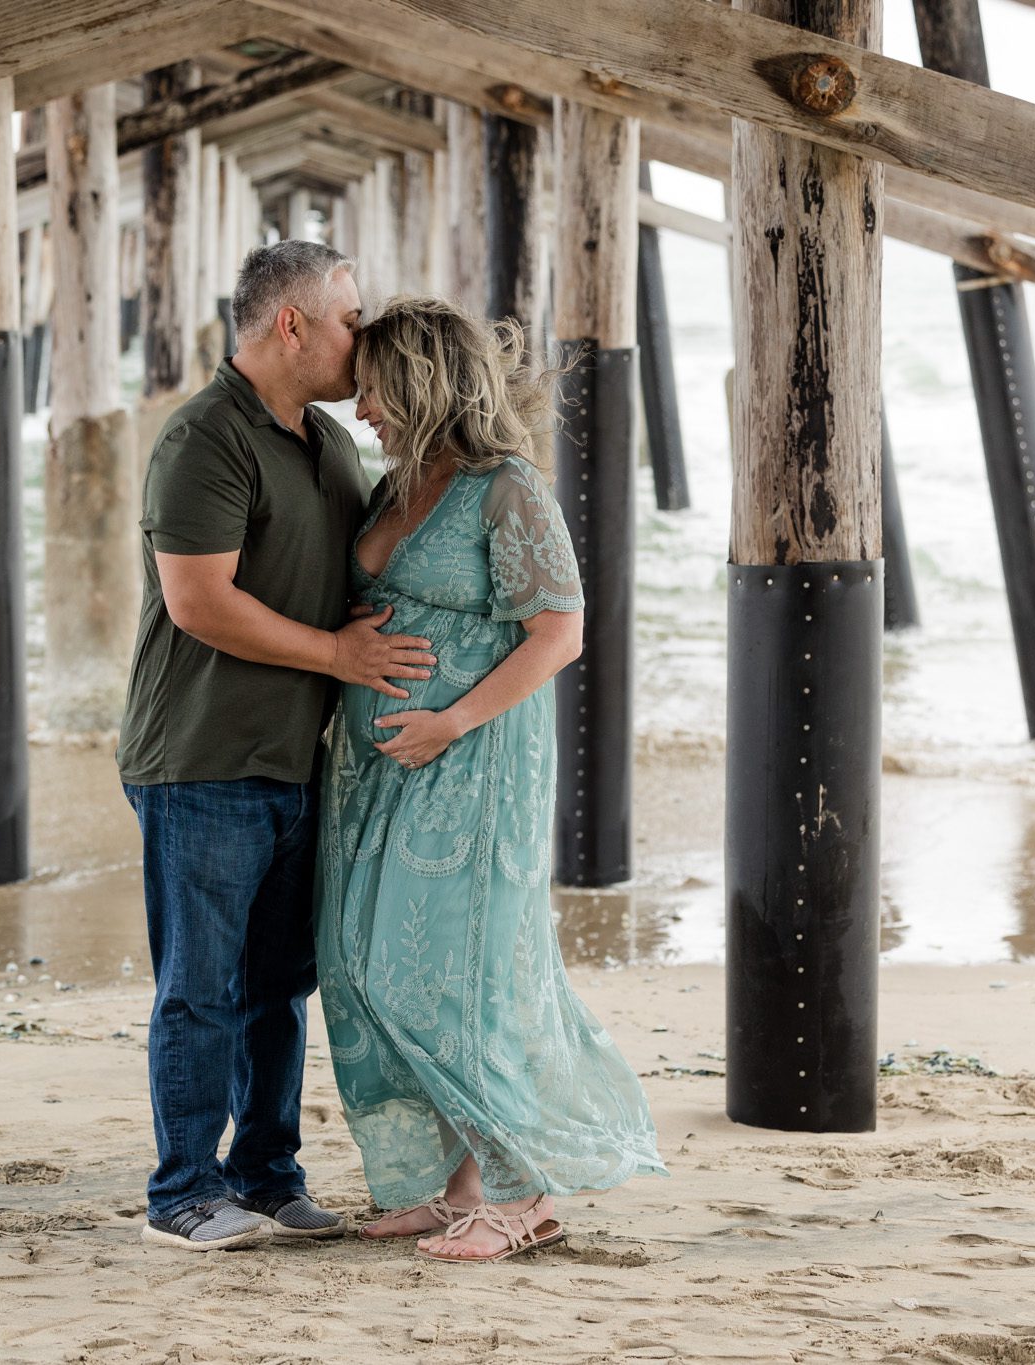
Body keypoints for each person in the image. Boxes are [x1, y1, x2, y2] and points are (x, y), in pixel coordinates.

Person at [317, 297, 668, 1263]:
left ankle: (527, 1193)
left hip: (473, 759)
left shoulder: (507, 488)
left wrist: (450, 721)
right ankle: (463, 1184)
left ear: (422, 384)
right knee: (360, 963)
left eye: (375, 391)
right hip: (375, 767)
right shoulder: (396, 485)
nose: (361, 409)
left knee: (452, 976)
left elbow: (560, 633)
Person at [117, 241, 436, 1251]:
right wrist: (341, 655)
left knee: (277, 990)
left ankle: (264, 1177)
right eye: (350, 318)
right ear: (291, 326)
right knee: (200, 990)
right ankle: (181, 1194)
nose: (363, 335)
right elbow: (199, 603)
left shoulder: (328, 441)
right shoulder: (204, 439)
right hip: (202, 757)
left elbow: (349, 575)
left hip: (300, 760)